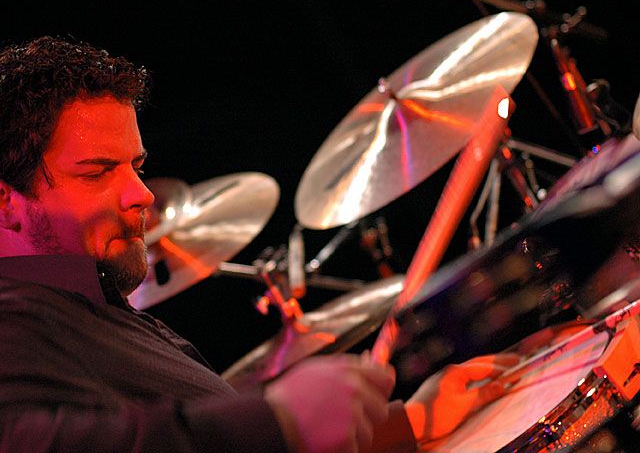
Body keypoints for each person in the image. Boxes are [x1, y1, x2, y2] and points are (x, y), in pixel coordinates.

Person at [0, 36, 518, 452]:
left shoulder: (109, 313)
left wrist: (412, 420)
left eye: (136, 166)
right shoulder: (16, 320)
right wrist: (276, 418)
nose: (142, 195)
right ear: (6, 203)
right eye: (96, 173)